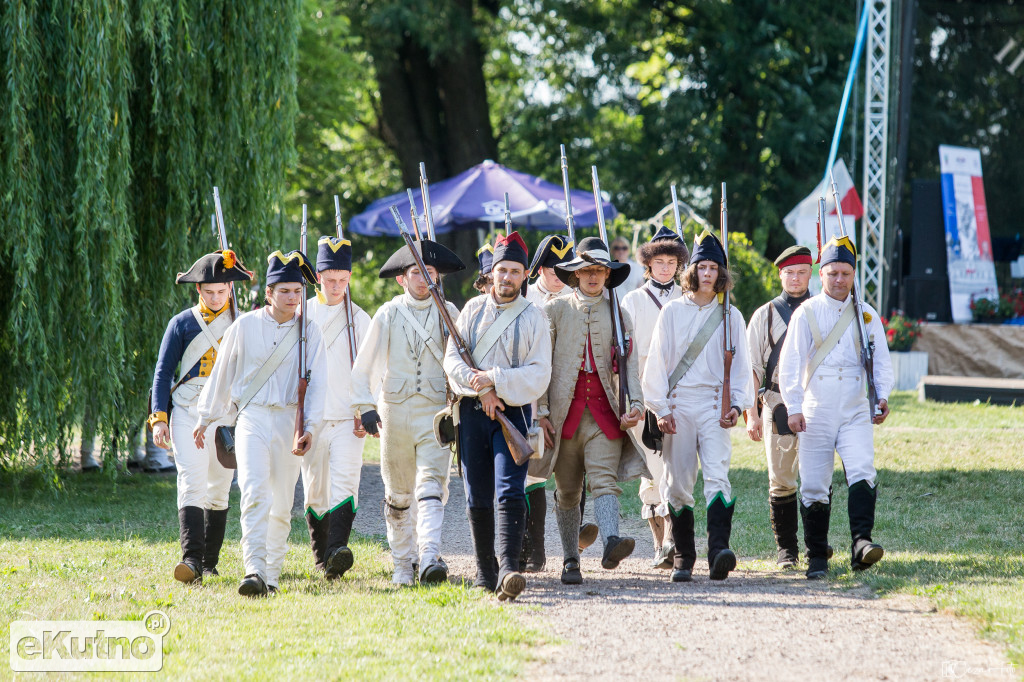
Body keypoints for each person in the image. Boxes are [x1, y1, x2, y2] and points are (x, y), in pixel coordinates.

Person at [195, 250, 327, 597]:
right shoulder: (245, 326)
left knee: (282, 502)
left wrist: (310, 427)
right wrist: (206, 417)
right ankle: (253, 569)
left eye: (297, 291)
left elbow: (319, 385)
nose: (292, 298)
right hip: (252, 416)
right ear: (268, 293)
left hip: (289, 419)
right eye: (284, 291)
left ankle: (271, 576)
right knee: (254, 493)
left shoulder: (309, 331)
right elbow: (222, 373)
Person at [443, 232, 551, 600]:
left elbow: (540, 374)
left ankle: (508, 568)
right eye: (502, 270)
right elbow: (451, 361)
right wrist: (481, 388)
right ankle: (484, 571)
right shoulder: (471, 310)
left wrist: (496, 380)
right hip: (472, 412)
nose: (507, 277)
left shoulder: (535, 318)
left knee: (509, 488)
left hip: (515, 413)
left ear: (525, 275)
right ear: (492, 273)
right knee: (476, 492)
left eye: (515, 271)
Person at [778, 236, 893, 580]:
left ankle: (861, 545)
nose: (839, 279)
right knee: (814, 482)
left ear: (854, 274)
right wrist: (794, 407)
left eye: (845, 273)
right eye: (833, 273)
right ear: (821, 274)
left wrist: (882, 396)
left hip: (856, 406)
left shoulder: (867, 315)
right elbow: (791, 363)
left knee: (862, 470)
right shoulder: (806, 313)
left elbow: (882, 363)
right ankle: (817, 556)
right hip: (816, 407)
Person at [351, 239, 464, 585]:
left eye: (429, 273)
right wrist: (365, 407)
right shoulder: (388, 313)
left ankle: (430, 557)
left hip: (435, 414)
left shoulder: (450, 313)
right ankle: (403, 563)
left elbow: (462, 363)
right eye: (417, 272)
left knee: (432, 487)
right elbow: (364, 366)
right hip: (395, 415)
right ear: (403, 278)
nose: (423, 279)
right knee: (398, 495)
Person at [642, 229, 753, 582]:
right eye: (702, 267)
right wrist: (660, 408)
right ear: (693, 271)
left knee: (718, 476)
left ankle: (719, 550)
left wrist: (737, 404)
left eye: (713, 268)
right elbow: (656, 362)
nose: (708, 274)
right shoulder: (673, 312)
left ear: (721, 273)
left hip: (714, 404)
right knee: (676, 484)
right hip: (680, 403)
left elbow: (741, 365)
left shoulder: (731, 316)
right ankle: (684, 558)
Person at [535, 236, 647, 585]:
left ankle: (611, 540)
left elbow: (630, 366)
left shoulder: (620, 314)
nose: (593, 276)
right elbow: (541, 364)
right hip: (563, 416)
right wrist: (540, 410)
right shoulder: (554, 310)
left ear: (607, 275)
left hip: (604, 413)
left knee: (604, 480)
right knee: (568, 491)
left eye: (599, 270)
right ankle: (571, 559)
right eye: (587, 270)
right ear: (576, 274)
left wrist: (637, 404)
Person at [148, 250, 254, 584]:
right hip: (187, 411)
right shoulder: (180, 324)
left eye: (222, 292)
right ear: (199, 291)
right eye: (209, 292)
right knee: (191, 481)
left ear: (230, 291)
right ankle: (191, 561)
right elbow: (163, 373)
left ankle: (210, 562)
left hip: (224, 413)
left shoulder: (242, 322)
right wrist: (159, 418)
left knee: (219, 490)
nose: (215, 297)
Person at [522, 234, 596, 571]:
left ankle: (573, 541)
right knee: (533, 472)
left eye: (565, 269)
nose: (558, 275)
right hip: (533, 393)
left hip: (571, 392)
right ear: (540, 269)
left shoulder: (576, 298)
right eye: (554, 269)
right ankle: (532, 546)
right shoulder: (525, 300)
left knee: (575, 467)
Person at [300, 236, 372, 580]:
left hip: (348, 417)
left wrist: (366, 409)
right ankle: (320, 557)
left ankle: (337, 551)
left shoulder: (361, 318)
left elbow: (372, 369)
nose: (337, 287)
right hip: (312, 418)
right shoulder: (302, 314)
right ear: (318, 276)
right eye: (331, 280)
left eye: (344, 280)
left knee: (346, 482)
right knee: (315, 488)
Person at [619, 225, 687, 569]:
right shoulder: (631, 301)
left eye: (671, 261)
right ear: (648, 264)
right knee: (653, 471)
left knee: (679, 469)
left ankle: (675, 538)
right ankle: (663, 543)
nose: (665, 267)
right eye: (659, 261)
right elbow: (624, 356)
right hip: (644, 395)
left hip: (683, 394)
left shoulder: (687, 300)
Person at [745, 245, 816, 568]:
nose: (795, 278)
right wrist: (751, 415)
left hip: (817, 400)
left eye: (801, 272)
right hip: (777, 402)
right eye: (789, 272)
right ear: (780, 275)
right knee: (782, 478)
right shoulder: (766, 315)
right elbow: (753, 369)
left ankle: (818, 545)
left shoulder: (823, 309)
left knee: (817, 478)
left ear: (811, 273)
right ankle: (787, 550)